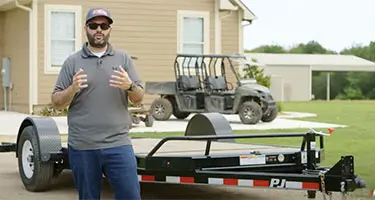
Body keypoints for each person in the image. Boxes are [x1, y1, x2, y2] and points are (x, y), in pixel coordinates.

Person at [51, 7, 144, 200]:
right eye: (93, 25)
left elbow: (139, 97)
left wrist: (129, 86)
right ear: (86, 28)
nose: (99, 30)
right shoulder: (72, 61)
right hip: (83, 145)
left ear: (110, 28)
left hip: (118, 144)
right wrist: (72, 88)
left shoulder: (123, 59)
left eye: (103, 25)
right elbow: (56, 101)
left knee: (131, 196)